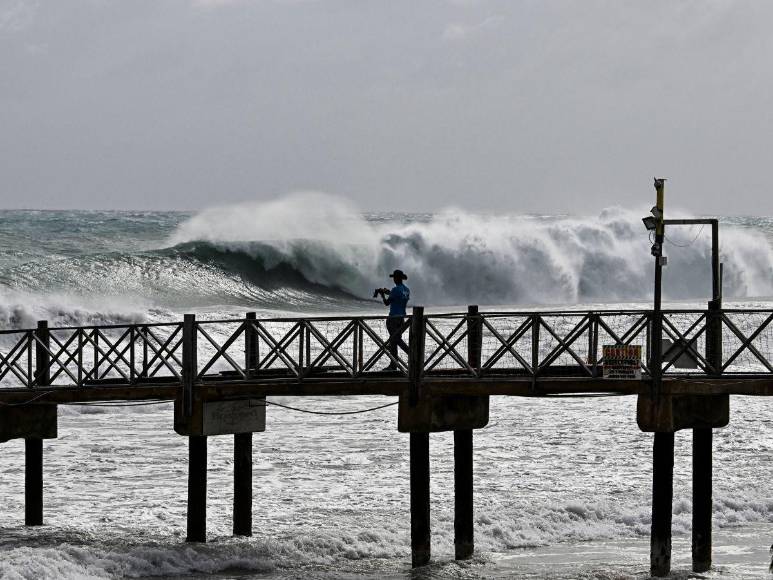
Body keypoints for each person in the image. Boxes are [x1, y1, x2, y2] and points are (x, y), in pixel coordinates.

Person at [375, 269, 410, 370]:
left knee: (395, 340)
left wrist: (382, 295)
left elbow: (387, 303)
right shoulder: (406, 290)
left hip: (393, 318)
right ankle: (393, 364)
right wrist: (389, 292)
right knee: (394, 341)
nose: (393, 279)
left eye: (394, 277)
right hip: (402, 318)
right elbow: (399, 298)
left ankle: (410, 353)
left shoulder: (395, 290)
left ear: (397, 278)